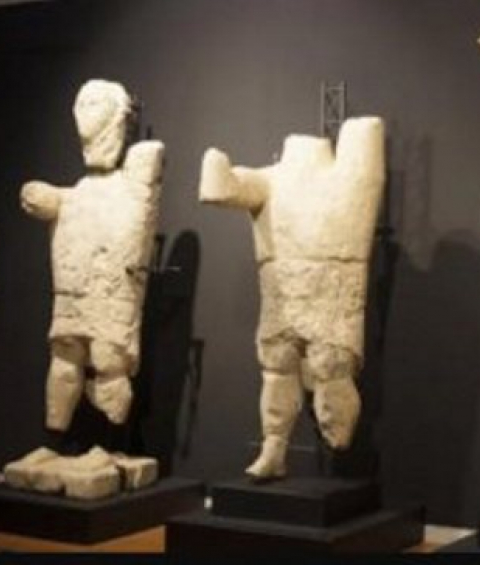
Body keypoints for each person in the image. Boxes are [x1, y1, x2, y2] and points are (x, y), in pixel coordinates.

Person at [199, 117, 385, 480]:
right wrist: (216, 169)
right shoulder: (269, 179)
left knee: (331, 369)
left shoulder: (347, 175)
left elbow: (220, 187)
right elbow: (220, 189)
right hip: (282, 297)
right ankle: (274, 448)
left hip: (331, 296)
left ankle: (338, 443)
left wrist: (217, 172)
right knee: (277, 367)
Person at [20, 80, 164, 430]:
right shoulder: (81, 192)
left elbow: (146, 174)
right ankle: (57, 425)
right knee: (64, 357)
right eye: (82, 105)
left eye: (95, 104)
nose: (86, 113)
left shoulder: (135, 179)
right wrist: (44, 196)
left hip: (113, 293)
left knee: (108, 360)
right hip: (72, 292)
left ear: (119, 117)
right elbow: (59, 200)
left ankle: (111, 428)